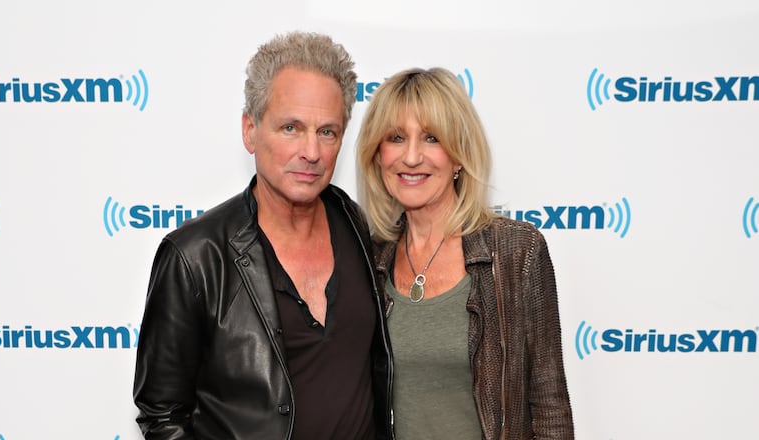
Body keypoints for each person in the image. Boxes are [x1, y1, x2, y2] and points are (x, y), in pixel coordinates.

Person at [133, 31, 393, 440]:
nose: (311, 151)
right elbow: (162, 413)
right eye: (291, 127)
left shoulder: (355, 224)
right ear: (250, 130)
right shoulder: (195, 256)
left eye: (327, 131)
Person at [356, 67, 574, 440]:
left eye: (431, 138)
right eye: (395, 138)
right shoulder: (368, 257)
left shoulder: (515, 252)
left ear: (458, 156)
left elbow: (549, 407)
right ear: (378, 154)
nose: (411, 157)